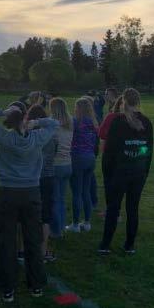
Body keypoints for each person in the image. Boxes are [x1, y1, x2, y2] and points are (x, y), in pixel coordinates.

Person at [0, 104, 59, 303]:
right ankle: (36, 286)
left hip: (8, 192)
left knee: (6, 241)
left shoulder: (5, 137)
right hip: (31, 193)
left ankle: (8, 289)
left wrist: (2, 111)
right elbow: (54, 123)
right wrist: (35, 122)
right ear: (24, 119)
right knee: (33, 240)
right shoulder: (37, 138)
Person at [98, 89, 153, 255]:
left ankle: (105, 245)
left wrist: (108, 174)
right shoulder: (146, 122)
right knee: (132, 209)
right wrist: (143, 171)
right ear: (138, 102)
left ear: (123, 102)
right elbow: (147, 151)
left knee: (113, 209)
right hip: (138, 171)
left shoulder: (119, 122)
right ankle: (129, 246)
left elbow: (109, 152)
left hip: (120, 172)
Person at [27, 105, 57, 263]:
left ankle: (22, 250)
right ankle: (42, 251)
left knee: (28, 214)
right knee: (45, 216)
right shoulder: (51, 134)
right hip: (47, 176)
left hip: (31, 178)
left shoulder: (27, 134)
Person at [66, 98, 98, 233]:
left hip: (77, 158)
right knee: (86, 191)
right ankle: (87, 222)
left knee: (76, 193)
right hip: (90, 158)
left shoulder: (75, 122)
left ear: (79, 108)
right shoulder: (94, 123)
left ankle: (75, 224)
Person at [49, 98, 73, 238]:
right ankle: (62, 227)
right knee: (62, 199)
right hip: (67, 164)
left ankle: (56, 231)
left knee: (54, 200)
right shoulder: (70, 122)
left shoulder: (52, 124)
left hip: (56, 165)